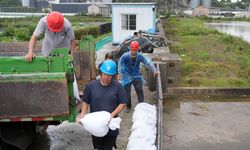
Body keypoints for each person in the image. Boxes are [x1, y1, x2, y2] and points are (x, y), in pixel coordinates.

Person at [78, 60, 127, 150]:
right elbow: (85, 101)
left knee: (107, 147)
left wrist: (112, 115)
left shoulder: (118, 87)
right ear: (101, 73)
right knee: (98, 147)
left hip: (111, 126)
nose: (107, 77)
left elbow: (123, 103)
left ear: (113, 76)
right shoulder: (91, 86)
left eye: (109, 75)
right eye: (105, 74)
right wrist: (83, 114)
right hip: (96, 126)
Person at [118, 41, 160, 113]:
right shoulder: (125, 56)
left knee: (139, 90)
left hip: (137, 76)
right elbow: (120, 63)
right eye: (132, 49)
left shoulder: (140, 56)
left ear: (137, 49)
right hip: (127, 76)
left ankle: (141, 105)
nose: (133, 51)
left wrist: (154, 70)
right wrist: (119, 73)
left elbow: (148, 62)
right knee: (127, 92)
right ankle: (128, 106)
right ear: (130, 49)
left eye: (135, 50)